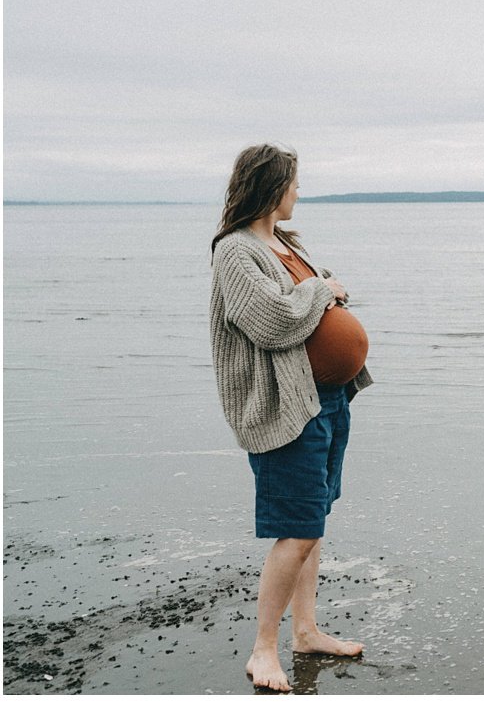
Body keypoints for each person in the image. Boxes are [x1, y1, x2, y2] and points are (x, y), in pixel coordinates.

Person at [207, 144, 372, 692]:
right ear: (271, 186)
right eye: (294, 183)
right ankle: (263, 651)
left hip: (324, 398)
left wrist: (325, 290)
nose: (299, 192)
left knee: (313, 522)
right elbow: (269, 321)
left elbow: (306, 299)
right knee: (295, 530)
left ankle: (306, 631)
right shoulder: (235, 251)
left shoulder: (279, 243)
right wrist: (319, 290)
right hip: (285, 408)